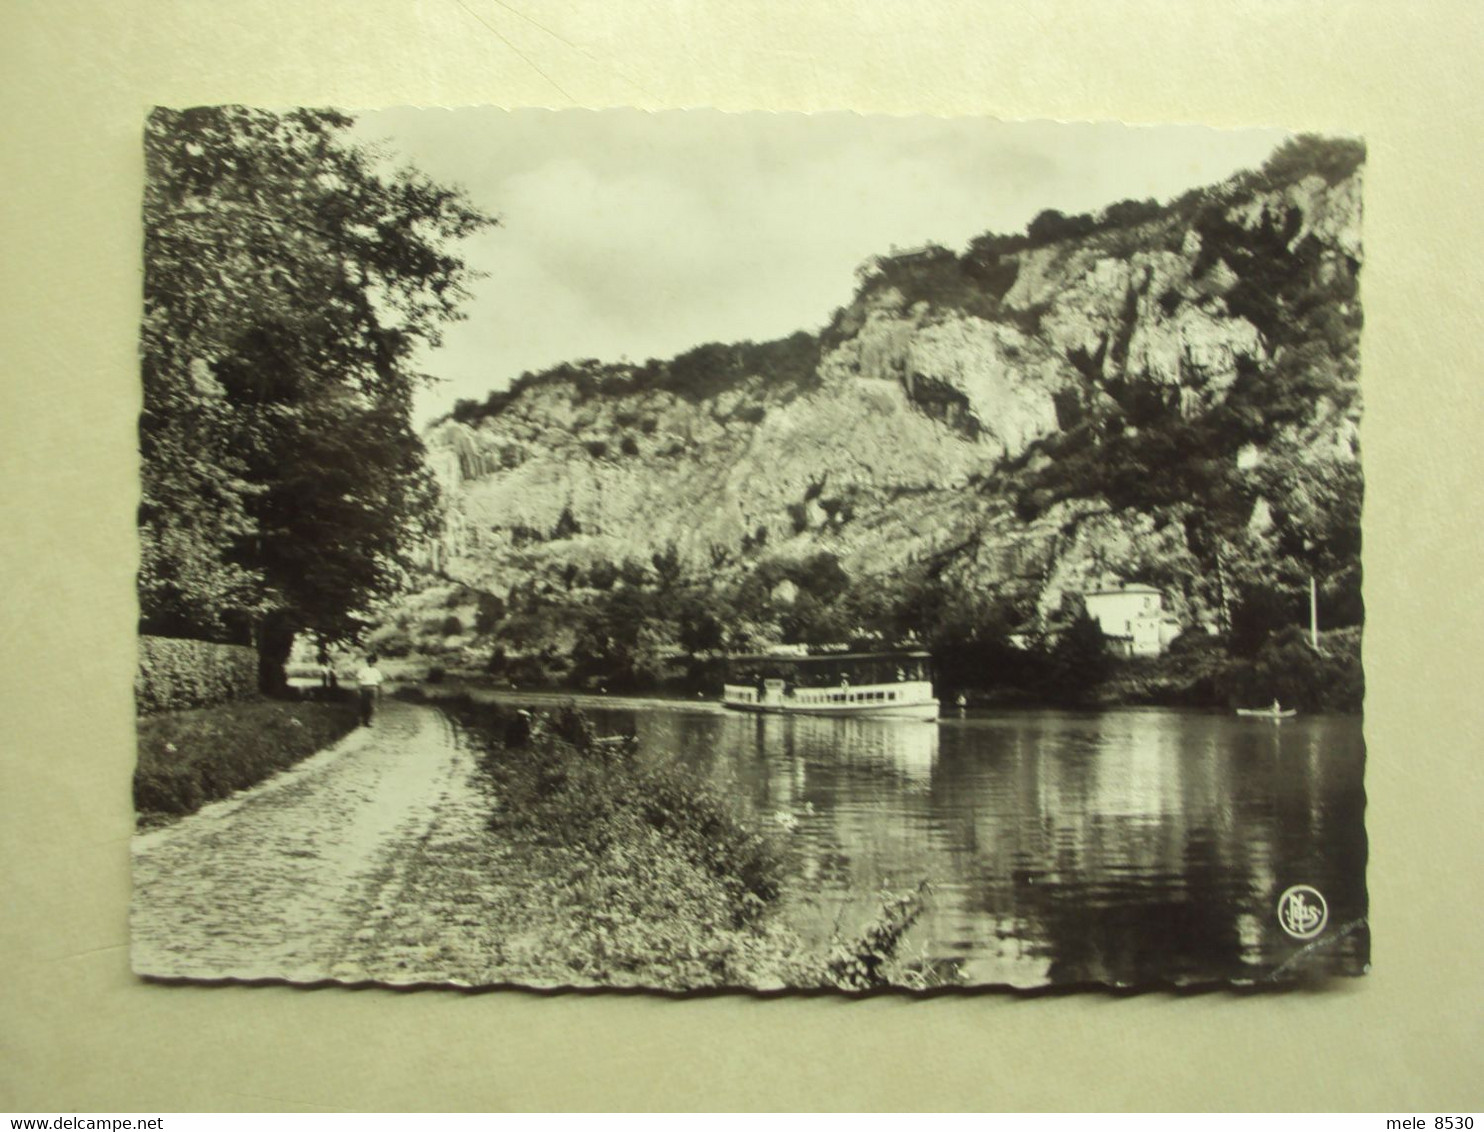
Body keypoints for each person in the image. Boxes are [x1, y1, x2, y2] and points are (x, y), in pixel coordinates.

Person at [355, 653, 384, 727]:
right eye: (370, 661)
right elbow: (358, 680)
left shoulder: (376, 671)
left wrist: (380, 690)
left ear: (375, 662)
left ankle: (369, 721)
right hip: (364, 688)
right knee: (364, 704)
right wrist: (358, 689)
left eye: (373, 661)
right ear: (367, 662)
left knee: (372, 705)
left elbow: (379, 682)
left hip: (373, 688)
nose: (371, 663)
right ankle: (363, 720)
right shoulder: (363, 670)